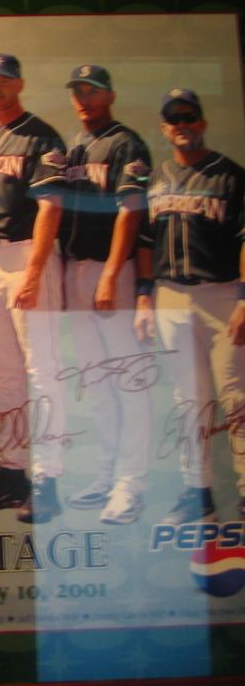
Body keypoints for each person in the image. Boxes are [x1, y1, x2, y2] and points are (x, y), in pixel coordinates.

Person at [0, 54, 68, 524]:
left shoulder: (42, 136)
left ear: (19, 84)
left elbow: (51, 206)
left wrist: (36, 271)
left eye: (3, 80)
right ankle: (12, 473)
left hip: (27, 255)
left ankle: (50, 482)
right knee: (6, 375)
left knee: (43, 376)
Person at [134, 87, 245, 525]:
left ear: (202, 122)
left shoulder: (230, 175)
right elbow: (146, 242)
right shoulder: (156, 178)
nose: (182, 124)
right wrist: (144, 295)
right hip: (170, 296)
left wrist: (244, 299)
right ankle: (197, 495)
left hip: (222, 295)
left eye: (188, 116)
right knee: (187, 399)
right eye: (174, 119)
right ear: (165, 128)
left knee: (236, 396)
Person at [59, 64, 153, 524]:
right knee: (96, 382)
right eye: (78, 91)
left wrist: (113, 273)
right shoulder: (75, 146)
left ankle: (131, 485)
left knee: (128, 383)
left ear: (110, 95)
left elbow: (131, 211)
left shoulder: (126, 143)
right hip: (77, 270)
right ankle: (107, 473)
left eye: (92, 91)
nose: (84, 99)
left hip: (110, 271)